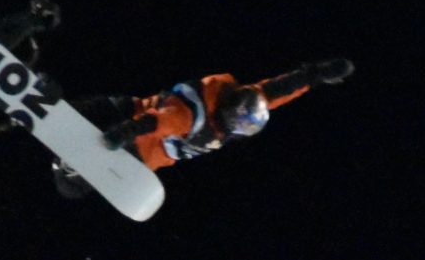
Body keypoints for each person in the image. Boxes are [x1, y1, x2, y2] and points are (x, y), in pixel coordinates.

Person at [74, 59, 354, 175]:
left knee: (108, 111)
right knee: (99, 109)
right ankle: (62, 106)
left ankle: (72, 173)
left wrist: (316, 74)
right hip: (137, 139)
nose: (237, 128)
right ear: (228, 110)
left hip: (138, 137)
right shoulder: (195, 116)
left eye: (244, 127)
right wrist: (124, 133)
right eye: (239, 122)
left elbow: (281, 89)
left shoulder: (246, 98)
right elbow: (160, 121)